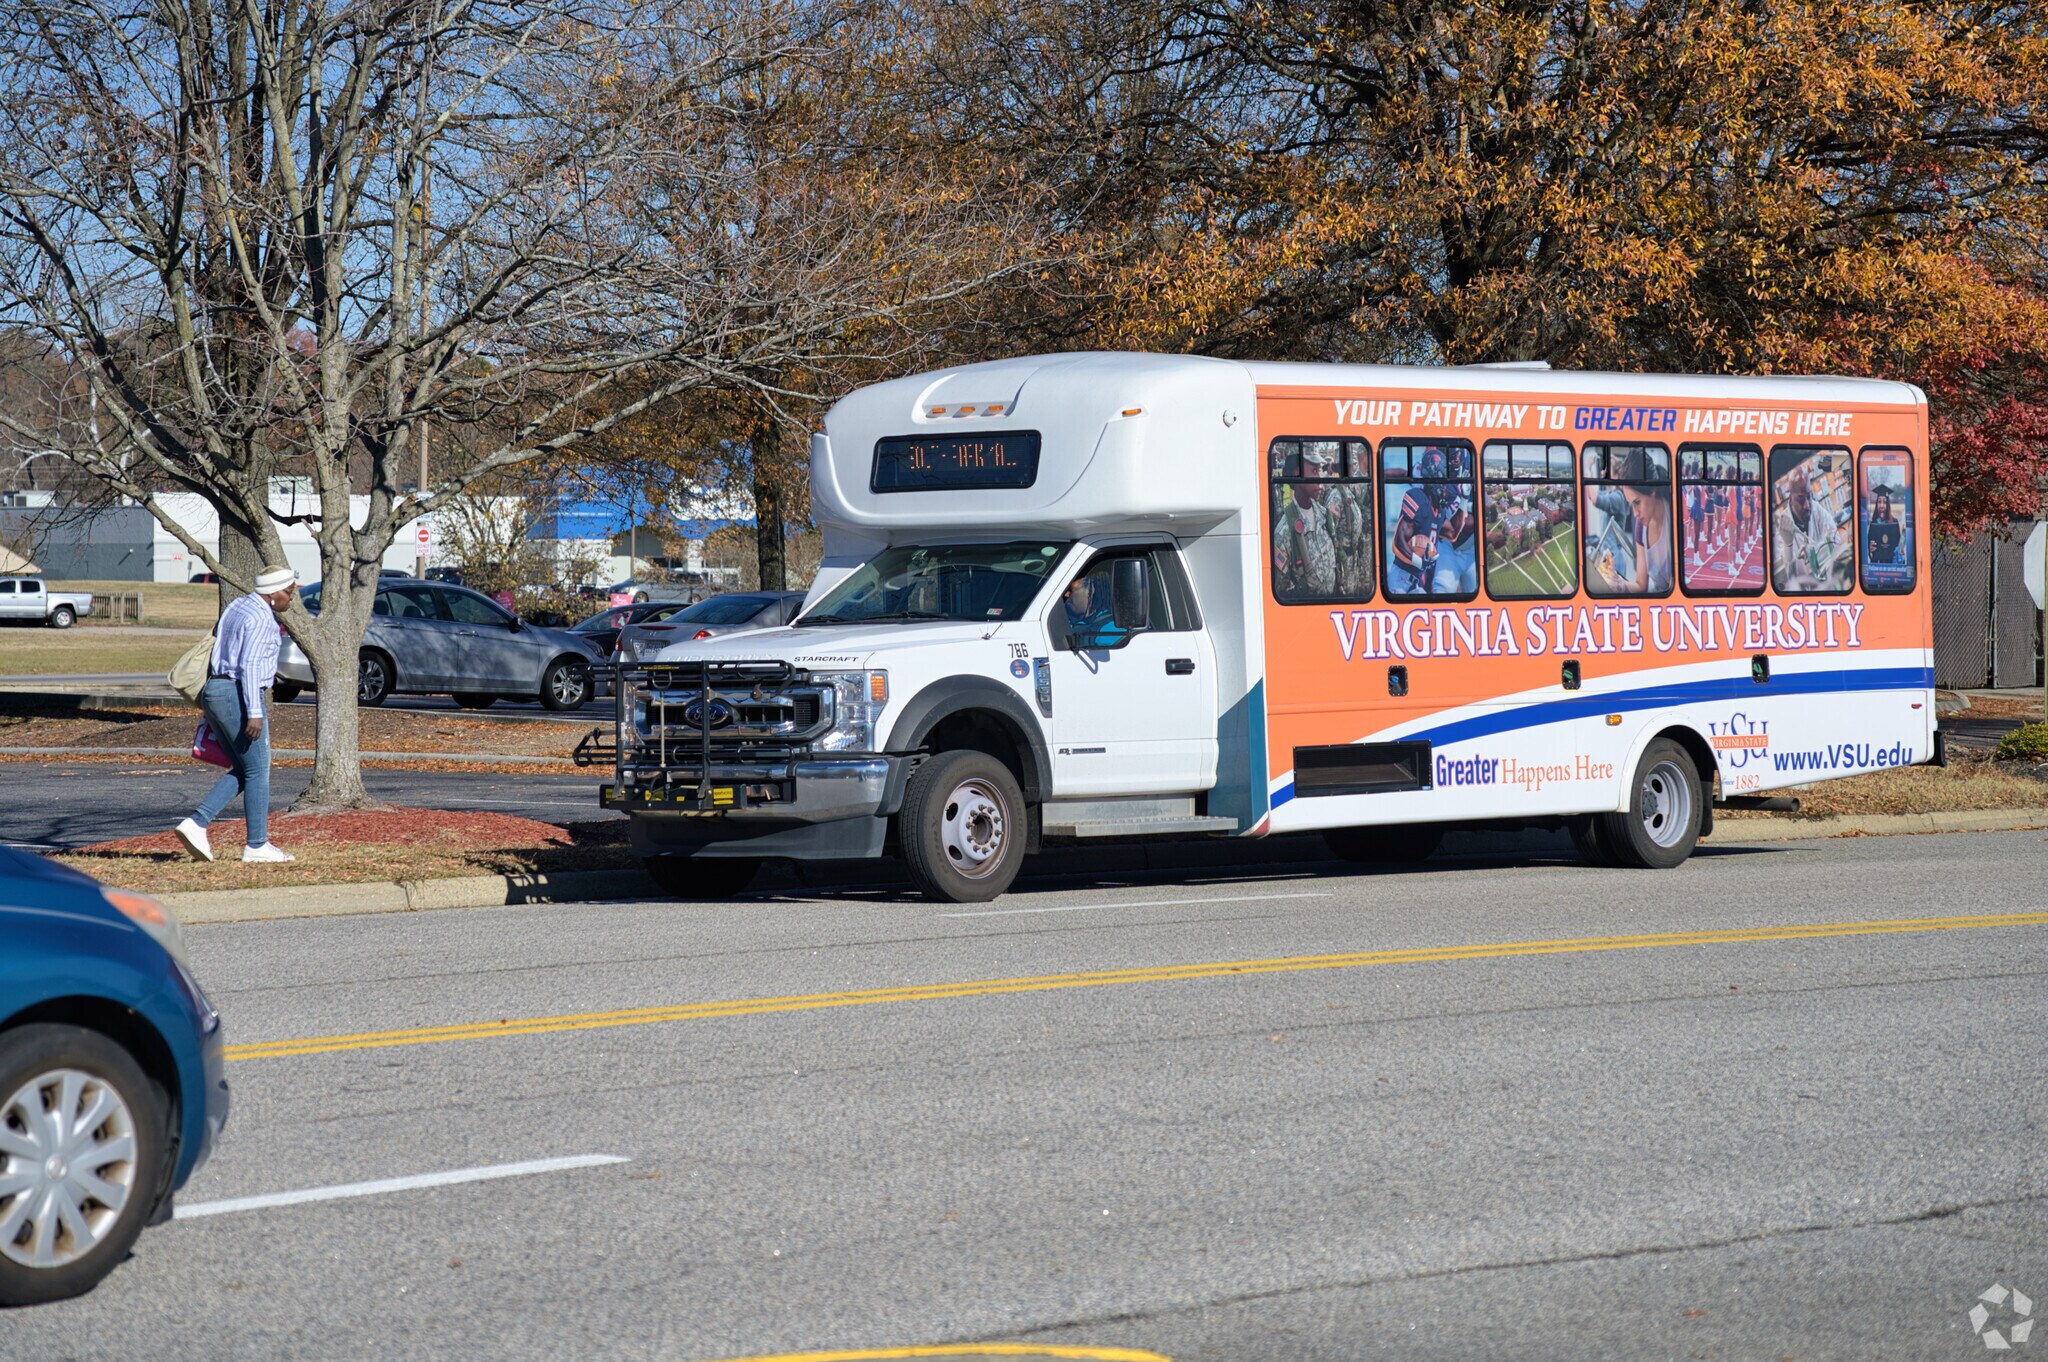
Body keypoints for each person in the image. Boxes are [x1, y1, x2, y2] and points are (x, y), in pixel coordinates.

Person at [175, 565, 298, 863]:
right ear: (272, 594)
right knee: (258, 770)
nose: (291, 599)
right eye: (289, 592)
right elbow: (251, 666)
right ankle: (256, 845)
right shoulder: (262, 619)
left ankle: (197, 823)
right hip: (239, 694)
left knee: (245, 769)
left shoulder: (237, 606)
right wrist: (254, 712)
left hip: (214, 691)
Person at [1772, 467, 1845, 591]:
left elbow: (1837, 545)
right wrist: (1788, 546)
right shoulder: (1782, 527)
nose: (1807, 505)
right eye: (1800, 499)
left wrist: (1816, 553)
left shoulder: (1818, 511)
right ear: (1791, 496)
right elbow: (1785, 582)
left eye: (1809, 496)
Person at [1062, 567, 1125, 649]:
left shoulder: (1110, 628)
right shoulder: (1067, 619)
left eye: (1071, 590)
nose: (1066, 595)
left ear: (1091, 590)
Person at [1866, 490, 1902, 564]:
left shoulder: (1894, 522)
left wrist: (1901, 549)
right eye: (1879, 502)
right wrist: (1869, 548)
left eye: (1885, 502)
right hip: (1877, 566)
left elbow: (1899, 544)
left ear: (1888, 505)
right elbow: (1868, 545)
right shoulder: (1873, 524)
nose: (1882, 506)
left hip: (1892, 565)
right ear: (1876, 504)